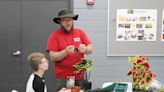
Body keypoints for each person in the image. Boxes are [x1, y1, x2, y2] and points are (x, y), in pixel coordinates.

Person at [46, 9, 93, 91]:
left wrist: (85, 49)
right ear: (59, 21)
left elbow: (90, 49)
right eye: (64, 20)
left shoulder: (80, 32)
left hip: (80, 76)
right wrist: (65, 52)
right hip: (63, 78)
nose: (68, 23)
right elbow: (52, 57)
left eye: (70, 20)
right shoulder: (54, 36)